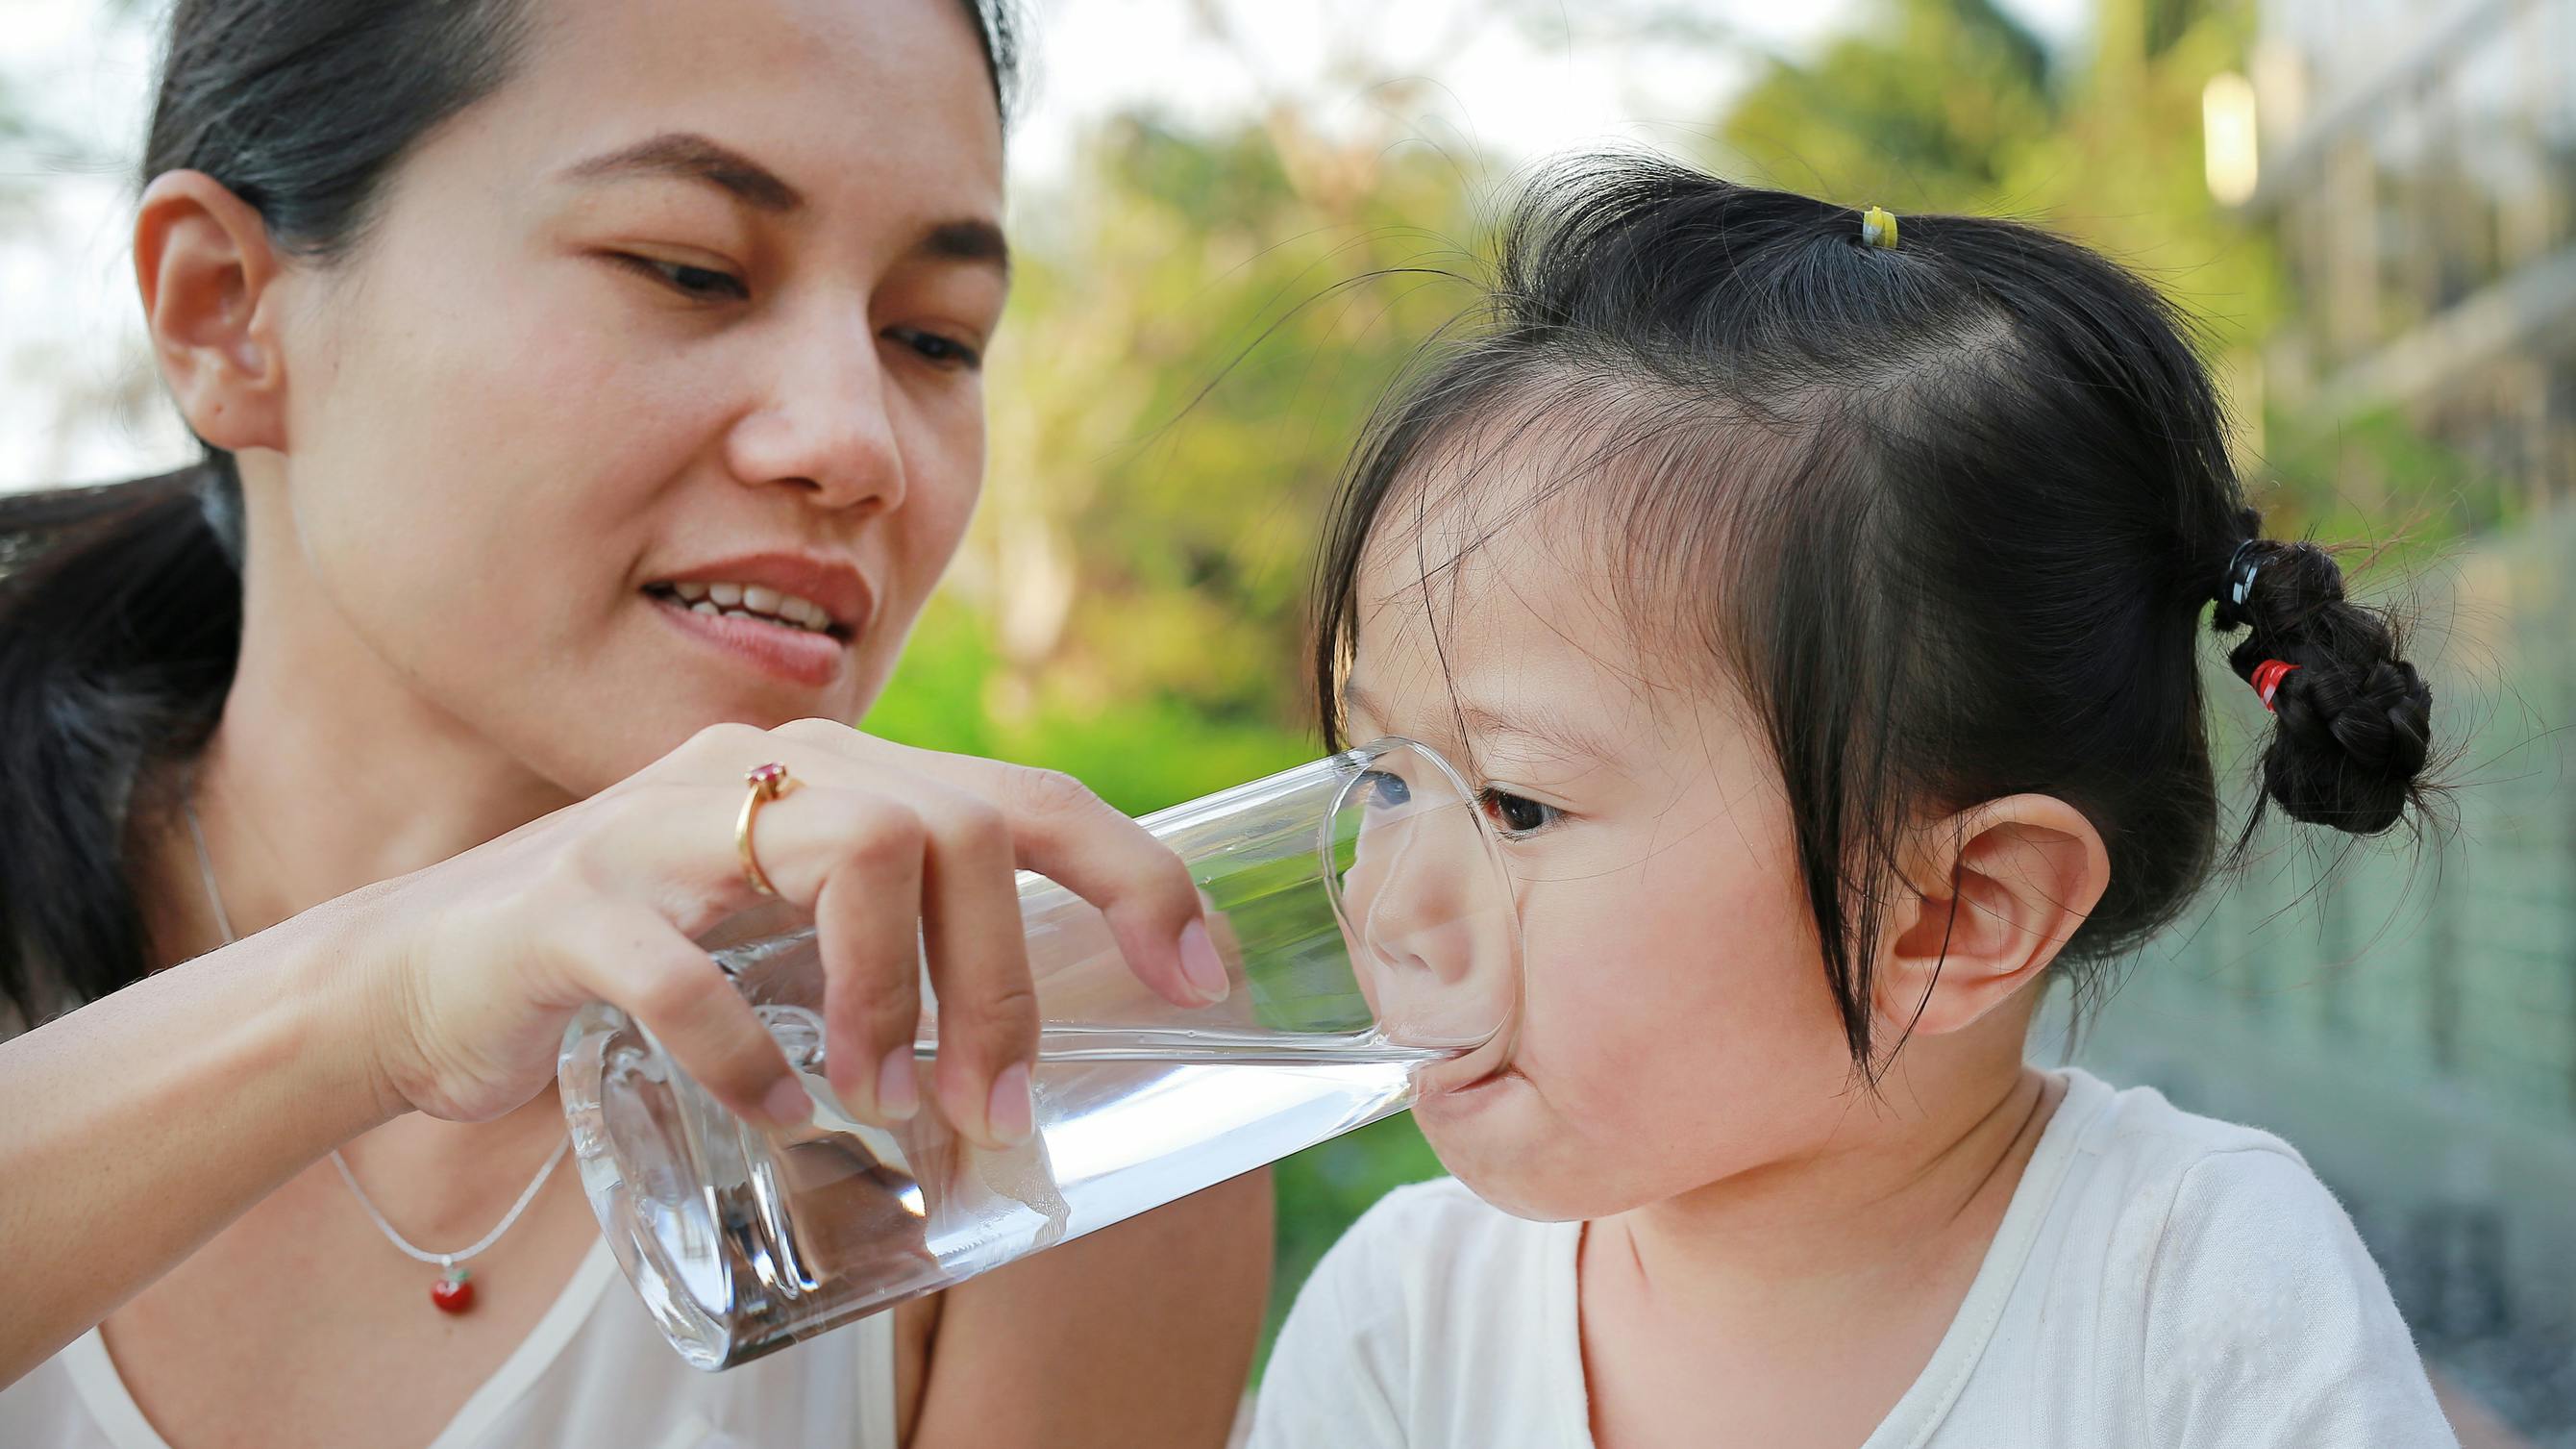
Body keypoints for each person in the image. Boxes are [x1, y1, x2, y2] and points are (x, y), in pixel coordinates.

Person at [0, 1, 1270, 1444]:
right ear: (225, 307)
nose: (854, 444)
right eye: (688, 269)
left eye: (933, 337)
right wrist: (379, 1000)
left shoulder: (1044, 1075)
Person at [1251, 157, 2460, 1448]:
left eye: (1515, 806)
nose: (1385, 902)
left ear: (1956, 910)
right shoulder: (1410, 1329)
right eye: (1383, 775)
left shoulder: (2200, 1301)